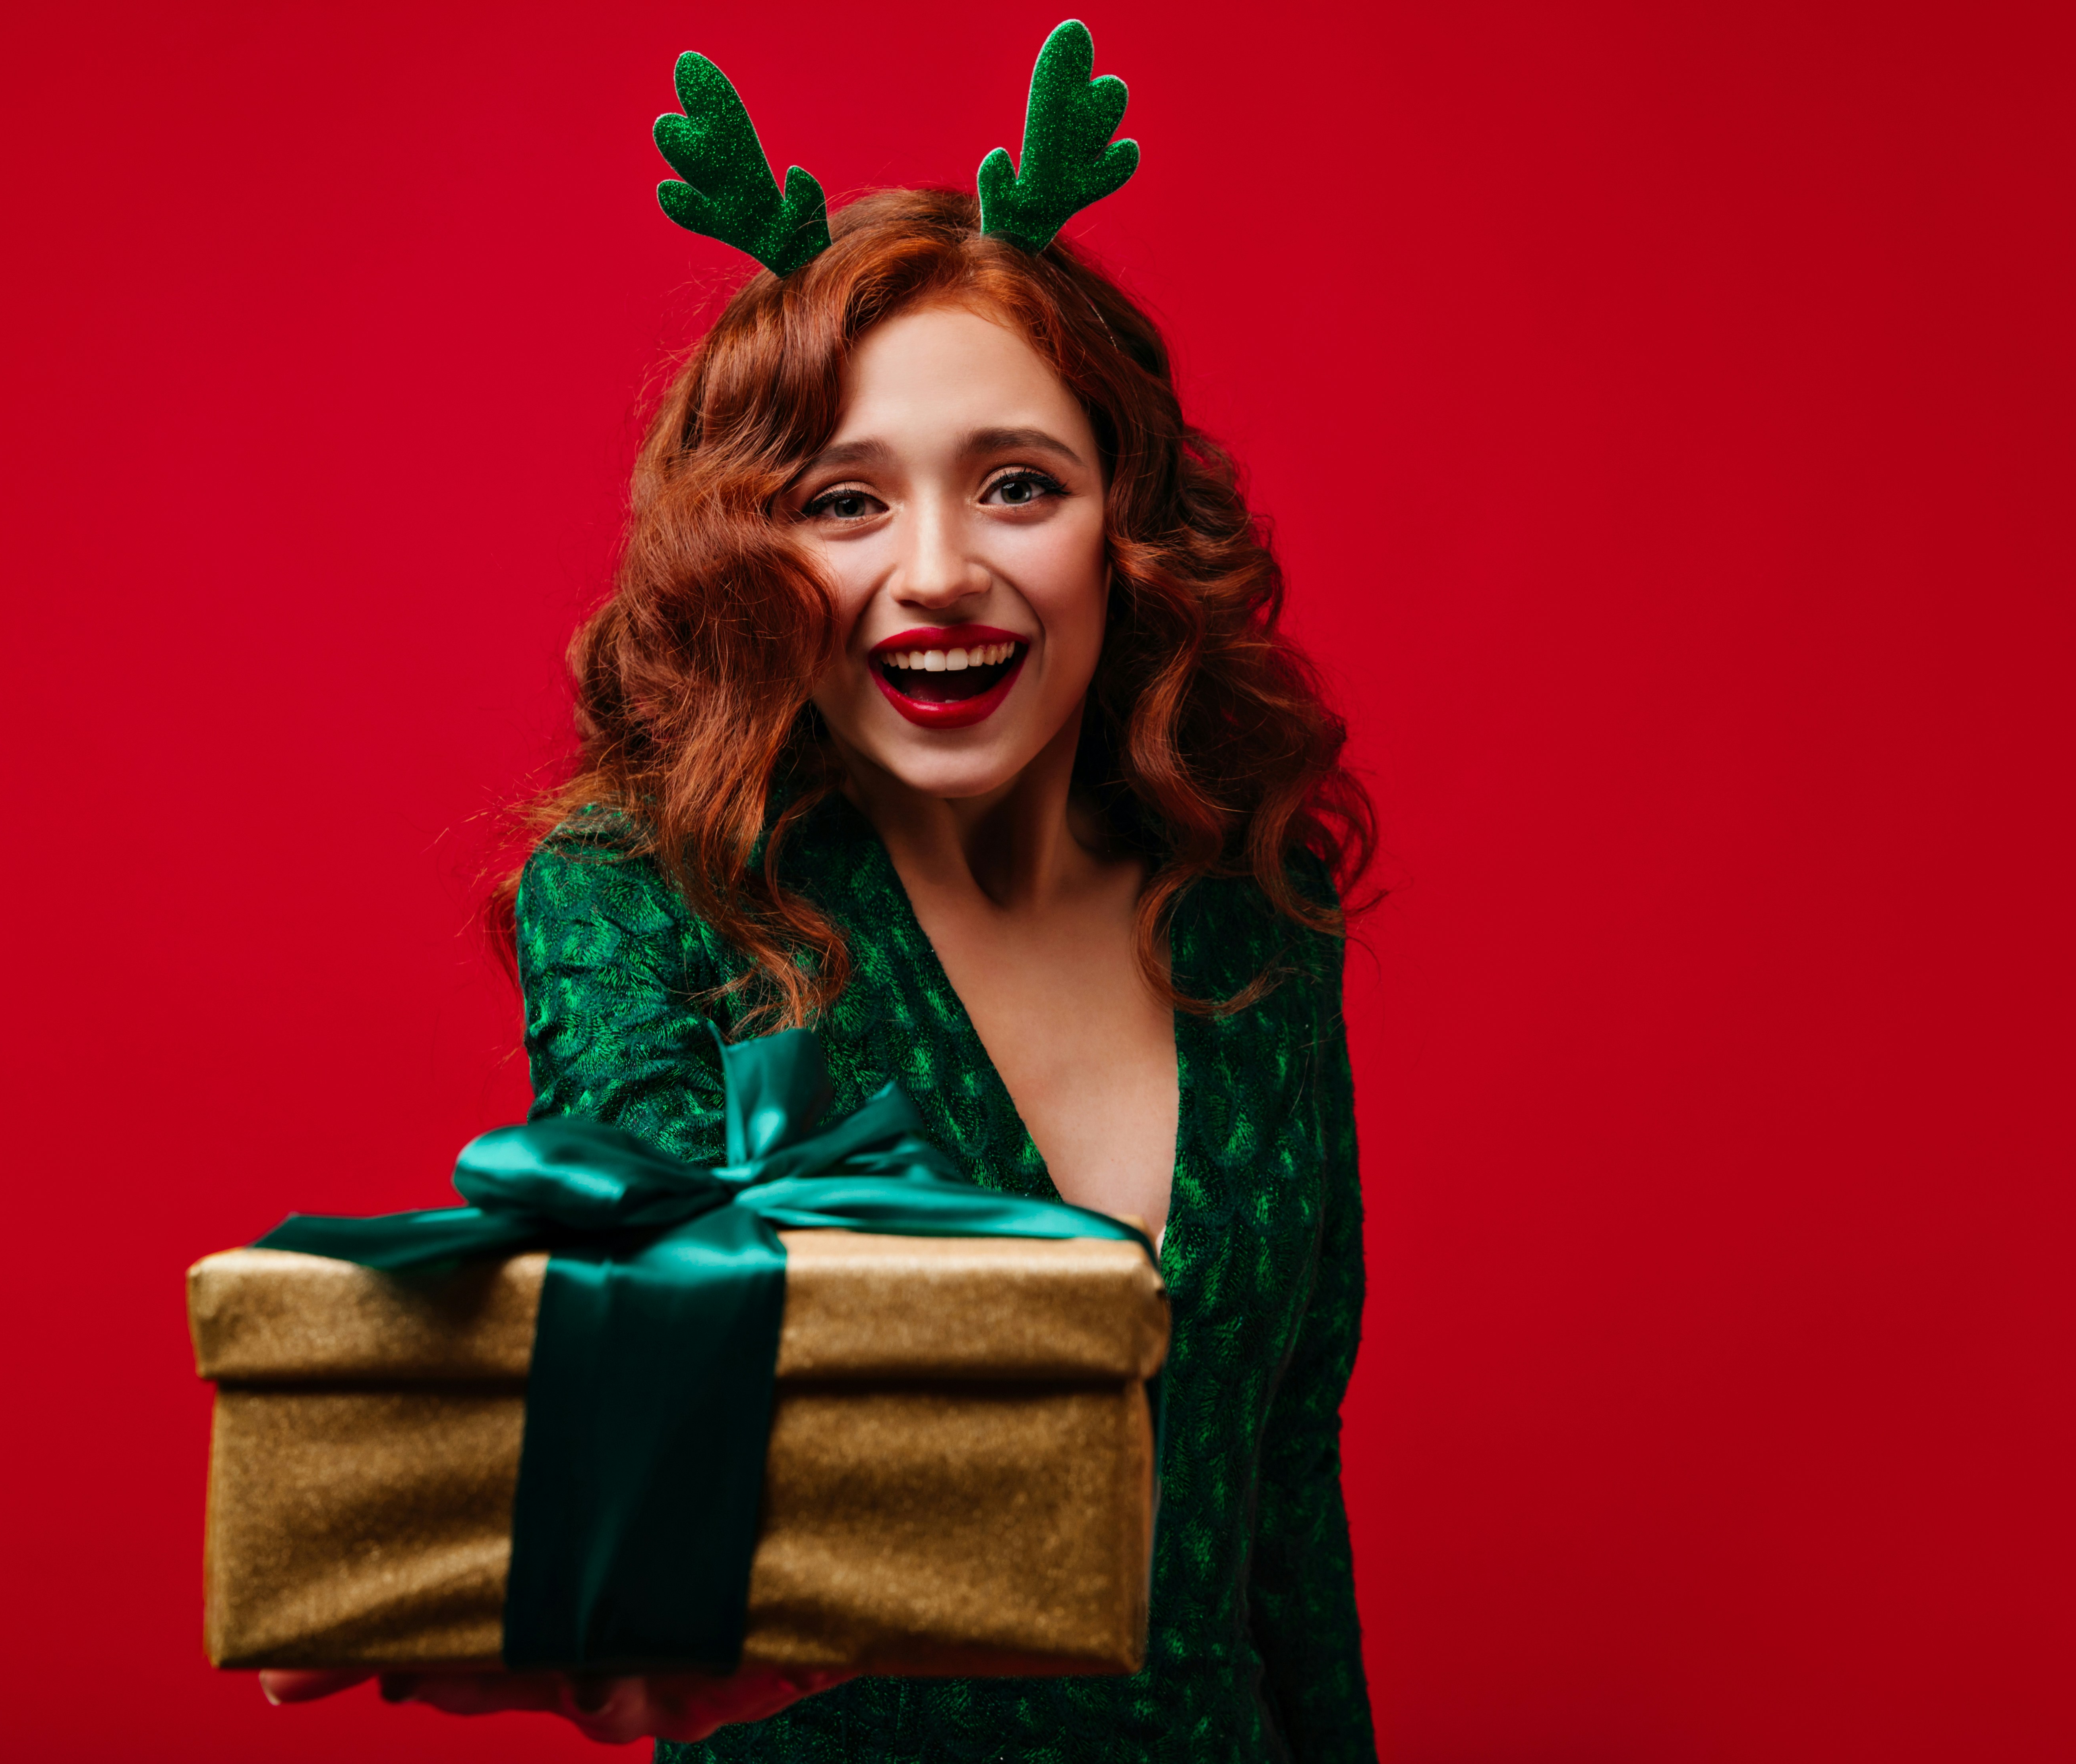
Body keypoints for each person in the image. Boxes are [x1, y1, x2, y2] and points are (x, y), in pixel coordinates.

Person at [267, 29, 1378, 1761]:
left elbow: (1284, 1487)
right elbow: (647, 1317)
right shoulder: (646, 904)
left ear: (1124, 524)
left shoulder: (1250, 910)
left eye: (1018, 484)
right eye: (843, 501)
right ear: (750, 559)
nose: (939, 572)